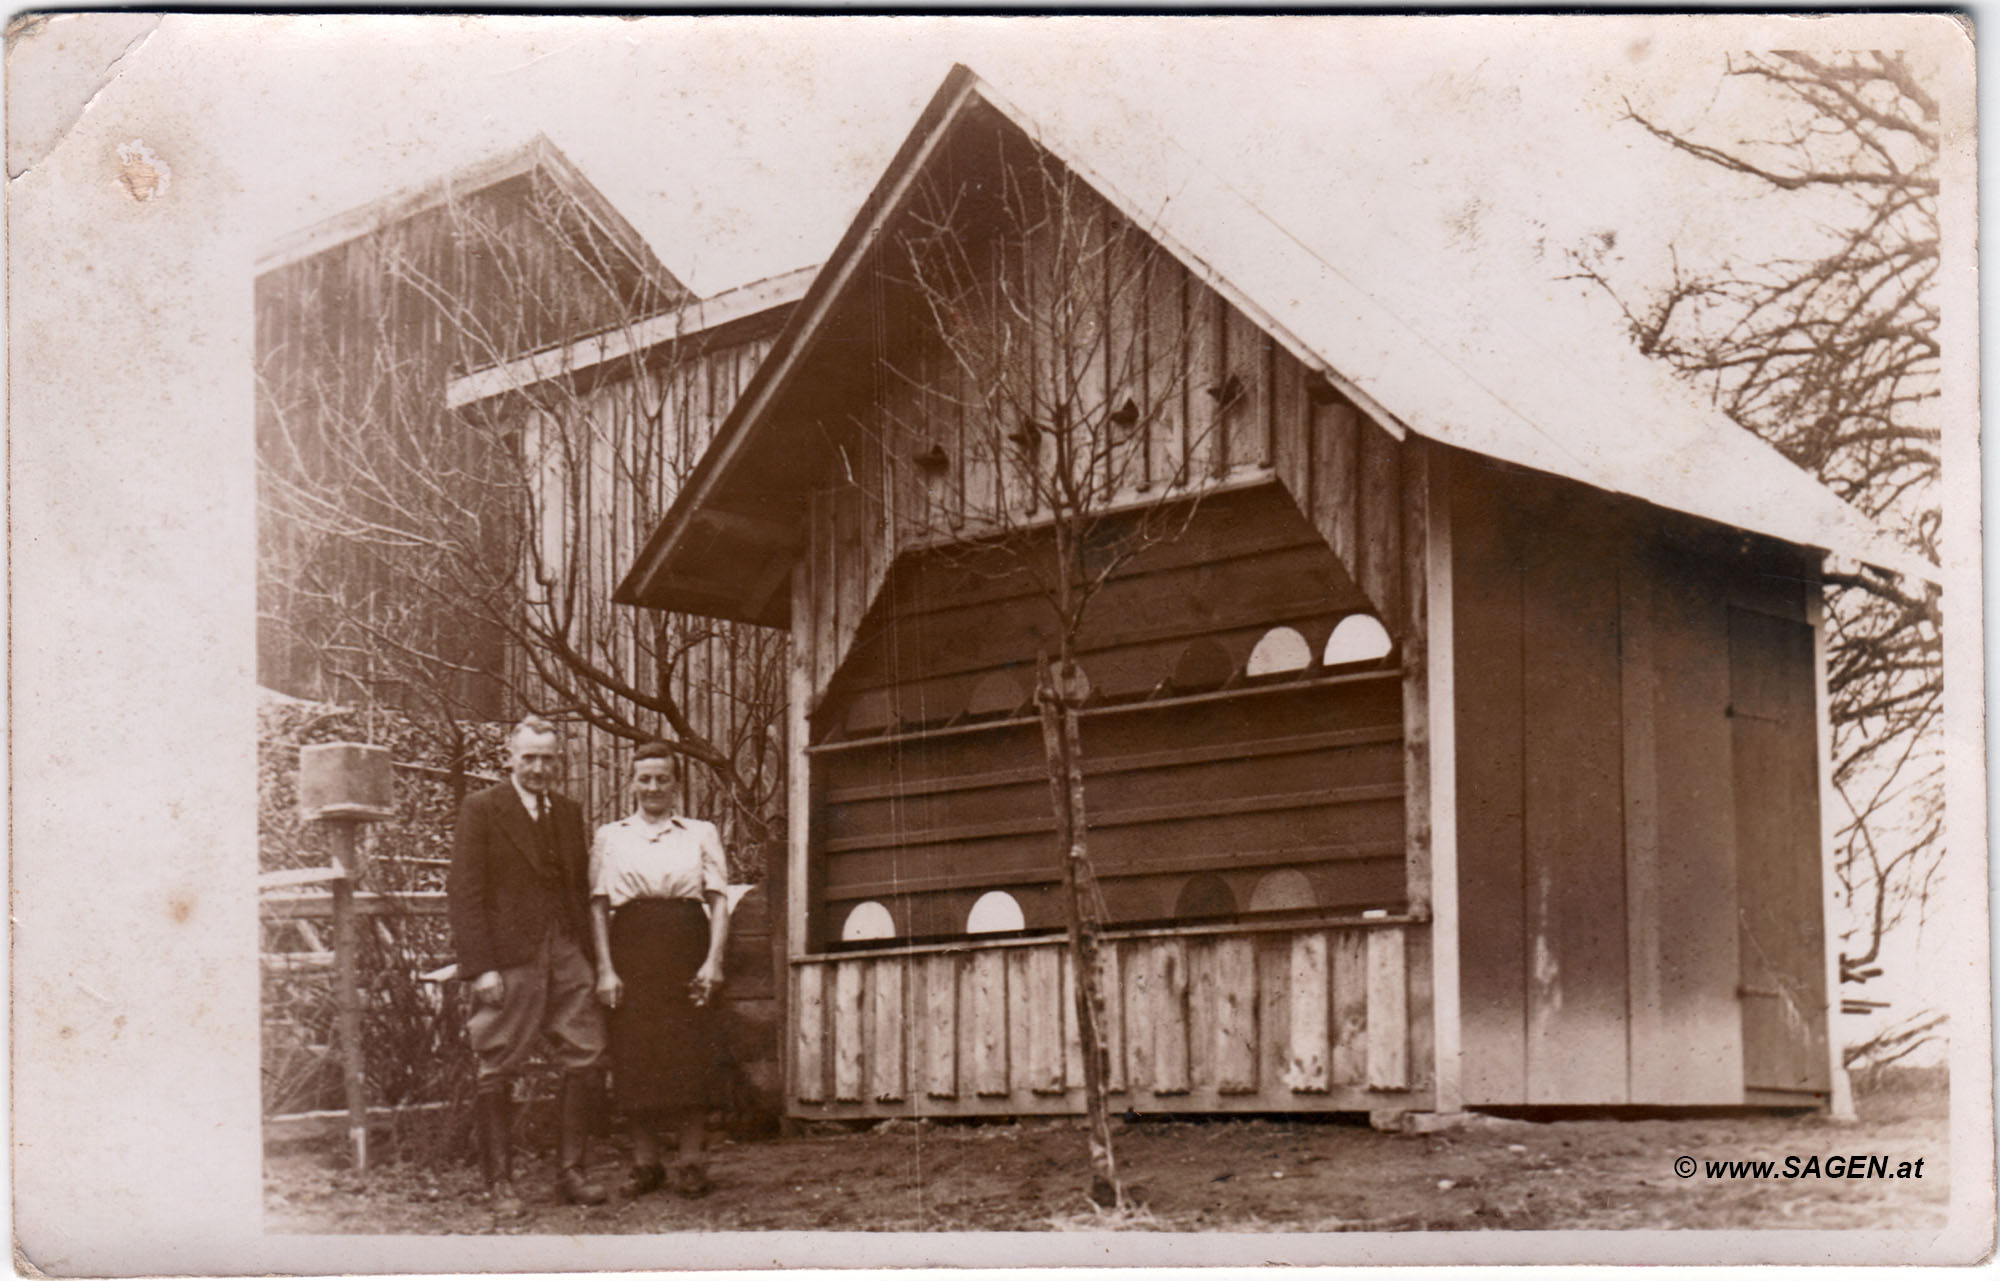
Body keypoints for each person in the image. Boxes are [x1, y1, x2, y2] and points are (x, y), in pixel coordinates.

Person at [447, 715, 609, 1216]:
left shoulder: (566, 812)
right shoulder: (482, 808)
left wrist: (588, 957)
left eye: (548, 759)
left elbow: (577, 888)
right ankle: (500, 1183)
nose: (539, 768)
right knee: (497, 1058)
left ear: (558, 762)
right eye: (529, 758)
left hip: (564, 951)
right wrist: (481, 967)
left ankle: (570, 1173)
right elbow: (465, 891)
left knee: (586, 1051)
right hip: (509, 956)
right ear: (510, 758)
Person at [588, 742, 731, 1199]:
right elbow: (597, 906)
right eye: (644, 778)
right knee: (635, 1054)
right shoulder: (610, 836)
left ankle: (691, 1162)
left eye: (662, 779)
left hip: (686, 945)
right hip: (631, 949)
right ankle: (645, 1163)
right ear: (631, 783)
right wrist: (606, 969)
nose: (653, 787)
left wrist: (713, 961)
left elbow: (718, 900)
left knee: (690, 1051)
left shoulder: (700, 833)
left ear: (676, 784)